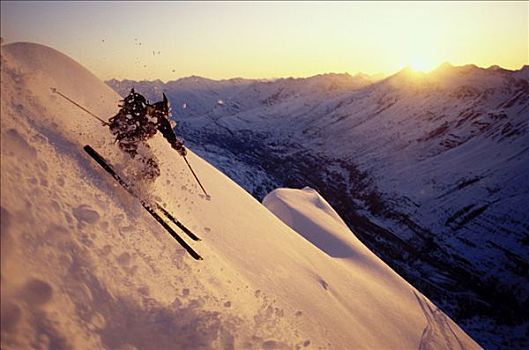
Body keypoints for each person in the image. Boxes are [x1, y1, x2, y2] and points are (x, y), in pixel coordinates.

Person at [108, 88, 187, 181]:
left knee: (152, 167)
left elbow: (170, 136)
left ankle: (134, 180)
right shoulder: (158, 119)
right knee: (152, 168)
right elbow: (170, 136)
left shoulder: (146, 114)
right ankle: (135, 182)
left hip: (132, 143)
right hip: (130, 144)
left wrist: (178, 147)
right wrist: (179, 148)